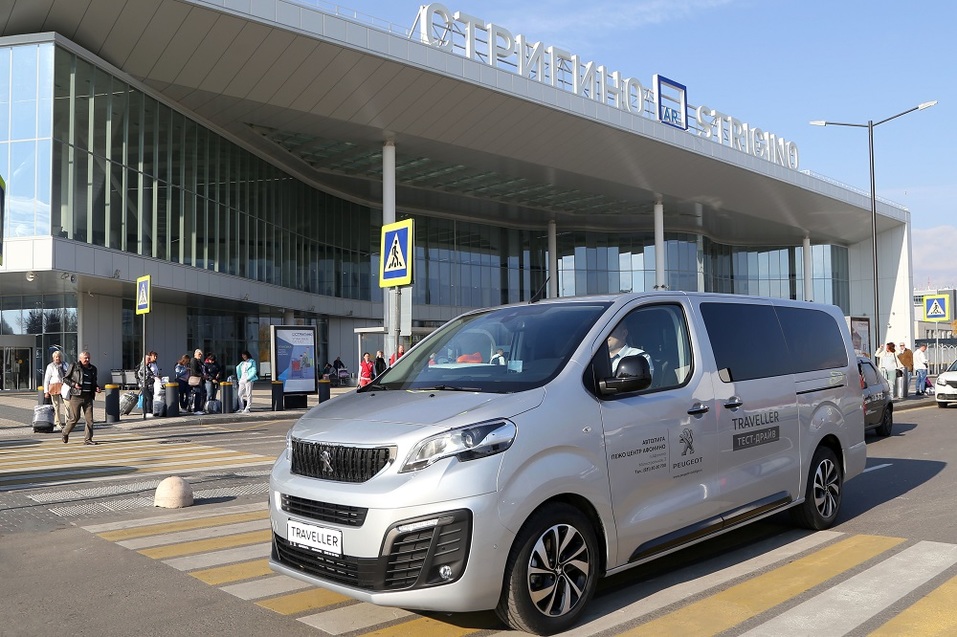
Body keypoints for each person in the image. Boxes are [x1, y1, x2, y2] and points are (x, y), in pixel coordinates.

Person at [62, 351, 102, 445]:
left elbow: (94, 382)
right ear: (80, 358)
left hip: (88, 396)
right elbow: (65, 379)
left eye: (88, 358)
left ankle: (88, 439)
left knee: (90, 420)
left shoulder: (93, 369)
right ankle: (65, 432)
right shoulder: (74, 366)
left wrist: (96, 387)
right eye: (85, 358)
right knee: (75, 418)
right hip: (76, 396)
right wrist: (74, 384)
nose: (87, 360)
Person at [43, 350, 70, 431]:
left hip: (65, 386)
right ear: (53, 358)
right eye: (56, 357)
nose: (57, 358)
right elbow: (47, 379)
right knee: (56, 406)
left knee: (67, 405)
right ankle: (57, 422)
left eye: (59, 356)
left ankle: (68, 423)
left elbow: (69, 375)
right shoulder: (50, 366)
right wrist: (46, 391)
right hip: (54, 386)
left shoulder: (65, 365)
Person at [137, 351, 159, 417]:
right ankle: (147, 411)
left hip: (150, 384)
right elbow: (143, 375)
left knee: (148, 397)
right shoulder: (143, 366)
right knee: (148, 397)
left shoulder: (151, 365)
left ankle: (148, 411)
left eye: (156, 356)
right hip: (144, 384)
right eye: (154, 356)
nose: (155, 358)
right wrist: (152, 377)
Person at [188, 349, 207, 414]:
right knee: (198, 394)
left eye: (201, 354)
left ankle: (200, 408)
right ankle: (196, 409)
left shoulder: (200, 361)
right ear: (195, 354)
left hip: (202, 380)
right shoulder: (194, 360)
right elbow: (194, 371)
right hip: (197, 380)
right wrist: (202, 375)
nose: (200, 355)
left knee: (202, 394)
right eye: (199, 354)